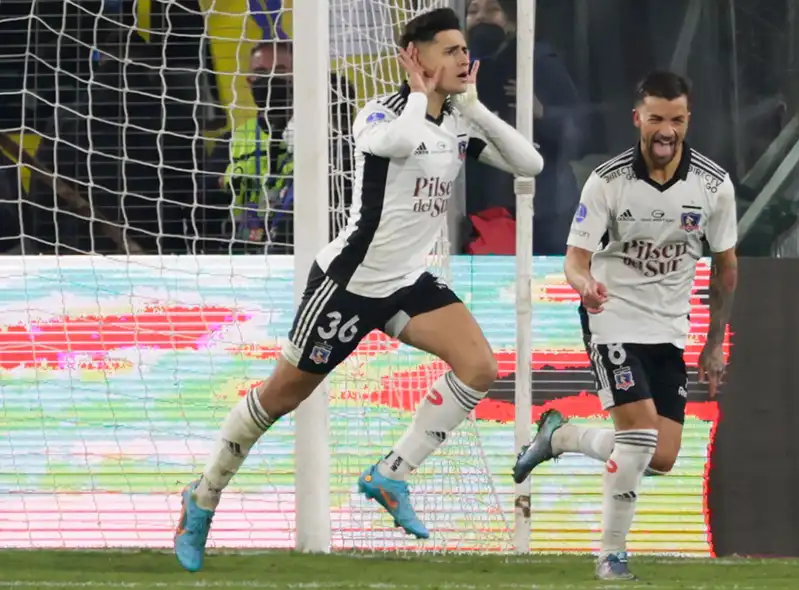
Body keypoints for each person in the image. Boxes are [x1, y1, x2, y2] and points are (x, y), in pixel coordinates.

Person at [172, 8, 543, 572]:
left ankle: (390, 476)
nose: (465, 58)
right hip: (348, 283)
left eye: (465, 50)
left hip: (404, 282)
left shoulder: (460, 123)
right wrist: (422, 96)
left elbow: (530, 163)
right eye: (450, 51)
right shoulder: (379, 112)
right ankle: (202, 496)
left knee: (479, 366)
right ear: (416, 59)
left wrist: (471, 106)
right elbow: (396, 142)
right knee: (281, 397)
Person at [510, 71, 738, 580]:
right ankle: (611, 555)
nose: (666, 130)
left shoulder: (713, 185)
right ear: (638, 119)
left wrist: (714, 343)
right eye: (656, 118)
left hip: (669, 331)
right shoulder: (608, 181)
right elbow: (575, 260)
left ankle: (562, 436)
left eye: (676, 120)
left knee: (662, 457)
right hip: (610, 320)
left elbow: (726, 271)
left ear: (687, 121)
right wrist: (584, 285)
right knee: (637, 439)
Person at [462, 0, 586, 255]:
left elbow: (578, 136)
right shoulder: (462, 68)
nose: (481, 18)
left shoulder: (540, 62)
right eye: (473, 11)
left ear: (512, 19)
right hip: (483, 208)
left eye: (492, 9)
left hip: (545, 210)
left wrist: (542, 113)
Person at [225, 39, 356, 251]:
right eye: (262, 72)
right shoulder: (232, 141)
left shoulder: (344, 153)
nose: (271, 80)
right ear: (249, 80)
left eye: (280, 70)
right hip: (241, 257)